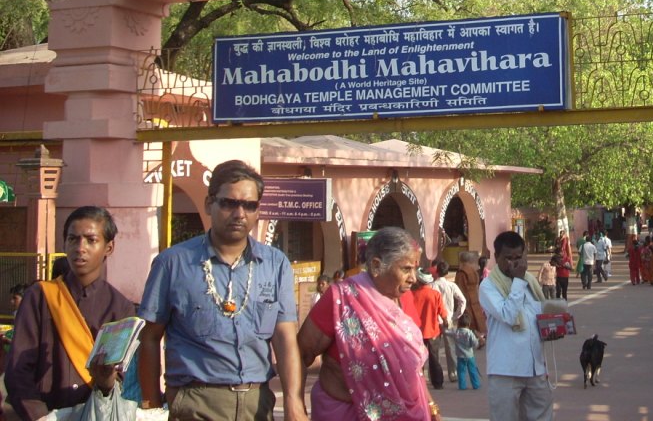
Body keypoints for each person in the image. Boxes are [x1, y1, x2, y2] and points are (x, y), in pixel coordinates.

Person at [137, 160, 307, 421]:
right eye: (229, 203)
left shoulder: (275, 264)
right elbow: (149, 338)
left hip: (257, 403)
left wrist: (294, 403)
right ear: (209, 204)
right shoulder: (173, 263)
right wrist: (151, 406)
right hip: (195, 402)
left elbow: (285, 339)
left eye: (249, 205)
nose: (240, 213)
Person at [297, 227, 441, 421]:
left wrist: (431, 407)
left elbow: (413, 368)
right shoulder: (341, 298)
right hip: (344, 411)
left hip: (406, 413)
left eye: (415, 269)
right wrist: (295, 403)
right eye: (406, 269)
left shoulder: (405, 300)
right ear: (376, 265)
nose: (413, 278)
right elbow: (300, 354)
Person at [6, 206, 135, 420]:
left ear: (109, 247)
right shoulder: (39, 296)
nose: (80, 247)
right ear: (64, 243)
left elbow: (119, 380)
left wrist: (105, 383)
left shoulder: (120, 307)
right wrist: (39, 415)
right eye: (73, 239)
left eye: (91, 240)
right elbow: (18, 370)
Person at [479, 230, 553, 421]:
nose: (514, 263)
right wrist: (518, 281)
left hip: (535, 366)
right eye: (508, 258)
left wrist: (552, 327)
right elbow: (509, 315)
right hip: (506, 369)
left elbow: (537, 316)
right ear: (496, 257)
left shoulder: (530, 281)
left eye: (518, 257)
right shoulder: (488, 286)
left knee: (543, 416)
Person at [401, 269, 448, 390]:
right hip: (433, 331)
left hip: (416, 332)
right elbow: (442, 313)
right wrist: (446, 323)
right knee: (434, 358)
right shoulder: (435, 294)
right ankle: (437, 382)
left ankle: (418, 383)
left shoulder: (413, 294)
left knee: (417, 359)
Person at [430, 260, 466, 383]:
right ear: (447, 272)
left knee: (434, 350)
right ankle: (453, 373)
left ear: (437, 271)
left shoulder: (432, 286)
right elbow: (462, 300)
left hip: (435, 321)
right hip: (449, 320)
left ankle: (435, 375)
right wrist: (456, 316)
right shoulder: (451, 286)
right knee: (450, 348)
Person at [454, 251, 486, 337]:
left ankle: (473, 338)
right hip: (475, 297)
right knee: (476, 320)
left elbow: (460, 288)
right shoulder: (474, 271)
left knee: (468, 321)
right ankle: (479, 337)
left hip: (467, 299)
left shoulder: (462, 272)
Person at [452, 313, 481, 391]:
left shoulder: (456, 332)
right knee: (472, 371)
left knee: (461, 372)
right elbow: (475, 343)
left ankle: (462, 386)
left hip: (460, 356)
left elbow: (447, 332)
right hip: (469, 355)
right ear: (468, 323)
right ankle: (476, 385)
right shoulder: (469, 333)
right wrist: (478, 341)